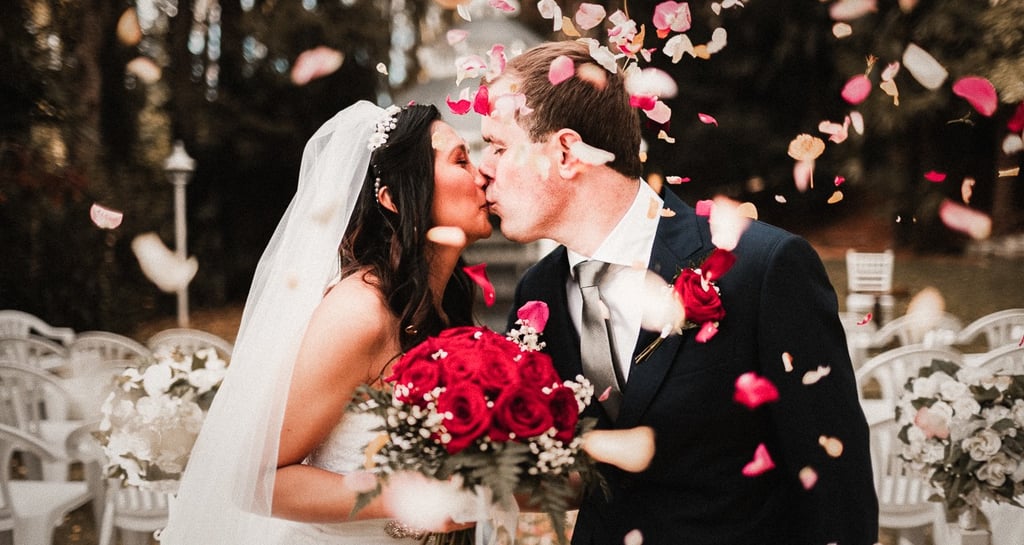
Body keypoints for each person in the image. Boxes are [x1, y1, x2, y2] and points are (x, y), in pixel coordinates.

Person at [479, 40, 879, 545]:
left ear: (566, 153)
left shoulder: (760, 267)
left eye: (496, 146)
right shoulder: (540, 293)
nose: (484, 169)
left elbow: (834, 481)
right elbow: (564, 471)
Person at [159, 101, 490, 544]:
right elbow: (254, 480)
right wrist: (406, 499)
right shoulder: (362, 313)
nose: (483, 173)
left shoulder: (443, 304)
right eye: (460, 160)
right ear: (393, 197)